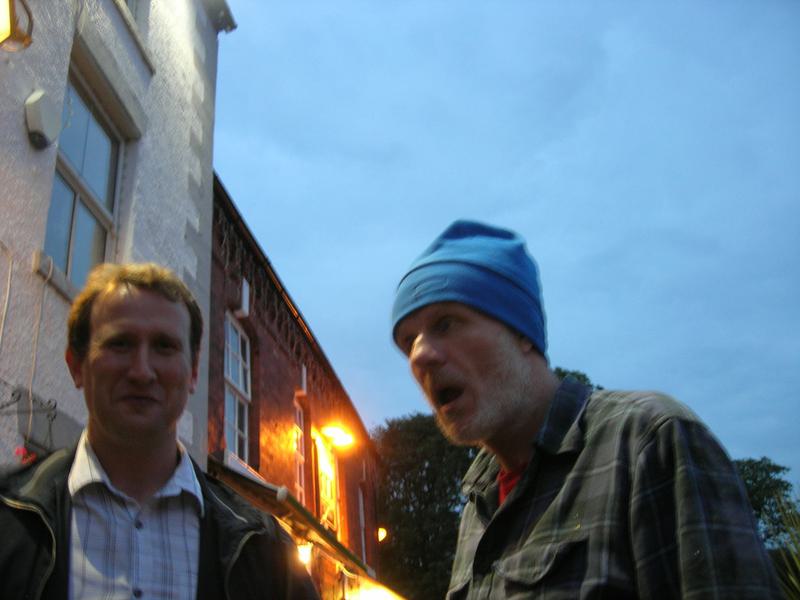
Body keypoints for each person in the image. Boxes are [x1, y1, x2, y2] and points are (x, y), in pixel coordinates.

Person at [391, 220, 781, 599]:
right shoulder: (477, 505)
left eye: (446, 323)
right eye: (408, 342)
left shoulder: (648, 440)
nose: (420, 355)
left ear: (521, 332)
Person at [0, 263, 319, 599]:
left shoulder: (266, 550)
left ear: (193, 372)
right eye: (120, 344)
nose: (142, 371)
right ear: (76, 365)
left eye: (164, 346)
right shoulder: (8, 519)